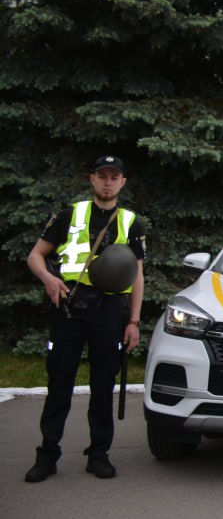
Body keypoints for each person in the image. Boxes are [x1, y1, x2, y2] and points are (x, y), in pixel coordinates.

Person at [24, 155, 145, 482]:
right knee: (59, 382)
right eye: (102, 176)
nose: (108, 182)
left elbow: (137, 275)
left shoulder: (131, 222)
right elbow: (35, 255)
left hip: (108, 311)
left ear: (122, 182)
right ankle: (47, 455)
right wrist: (49, 280)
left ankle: (99, 454)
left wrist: (133, 321)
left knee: (103, 384)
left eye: (114, 177)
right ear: (92, 179)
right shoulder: (70, 214)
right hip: (68, 307)